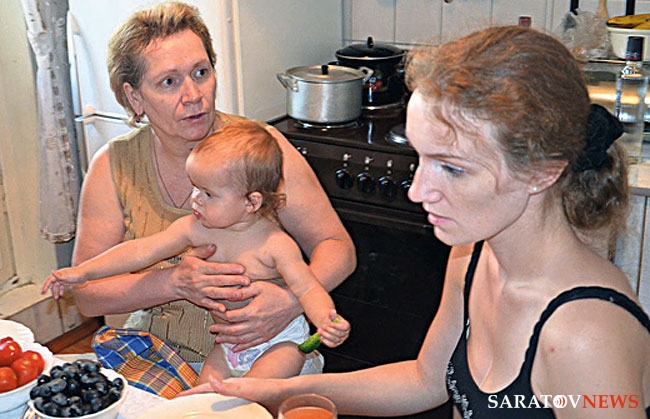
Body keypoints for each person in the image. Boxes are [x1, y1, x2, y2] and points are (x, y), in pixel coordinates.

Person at [182, 26, 650, 417]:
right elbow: (426, 380)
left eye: (452, 168)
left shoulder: (586, 335)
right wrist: (274, 391)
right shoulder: (473, 257)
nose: (417, 191)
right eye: (420, 158)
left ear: (543, 172)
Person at [68, 1, 356, 371]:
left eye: (201, 72)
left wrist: (290, 301)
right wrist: (173, 282)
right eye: (169, 82)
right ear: (134, 97)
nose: (193, 94)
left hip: (268, 352)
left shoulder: (261, 150)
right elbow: (87, 296)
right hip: (157, 352)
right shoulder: (113, 165)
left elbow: (337, 247)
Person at [44, 121, 351, 382]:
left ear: (251, 202)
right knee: (204, 396)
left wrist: (327, 321)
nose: (195, 200)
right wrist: (83, 271)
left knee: (251, 394)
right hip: (227, 344)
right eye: (195, 188)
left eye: (208, 194)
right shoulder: (195, 227)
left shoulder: (275, 245)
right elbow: (140, 251)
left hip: (279, 342)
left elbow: (307, 288)